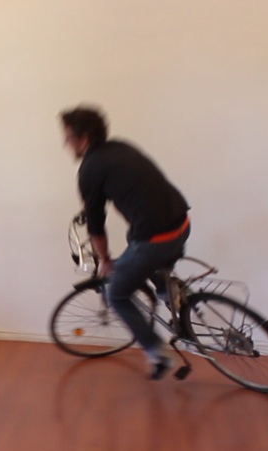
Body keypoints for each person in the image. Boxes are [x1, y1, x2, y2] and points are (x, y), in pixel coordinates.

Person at [59, 105, 191, 380]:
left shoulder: (90, 170)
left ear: (83, 138)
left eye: (68, 137)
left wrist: (105, 260)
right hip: (181, 222)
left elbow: (96, 225)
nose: (65, 143)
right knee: (136, 244)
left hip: (156, 240)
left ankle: (158, 354)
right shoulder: (120, 147)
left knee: (117, 294)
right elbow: (136, 187)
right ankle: (169, 291)